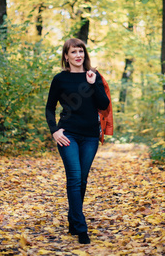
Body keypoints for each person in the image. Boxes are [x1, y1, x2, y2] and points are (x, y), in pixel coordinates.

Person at [45, 38, 110, 244]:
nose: (78, 55)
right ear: (66, 56)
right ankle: (81, 227)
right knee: (74, 177)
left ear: (85, 54)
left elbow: (103, 103)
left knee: (82, 179)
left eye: (81, 51)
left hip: (90, 136)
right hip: (68, 135)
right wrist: (54, 131)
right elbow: (49, 108)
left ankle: (73, 219)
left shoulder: (94, 75)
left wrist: (93, 84)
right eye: (73, 52)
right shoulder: (60, 79)